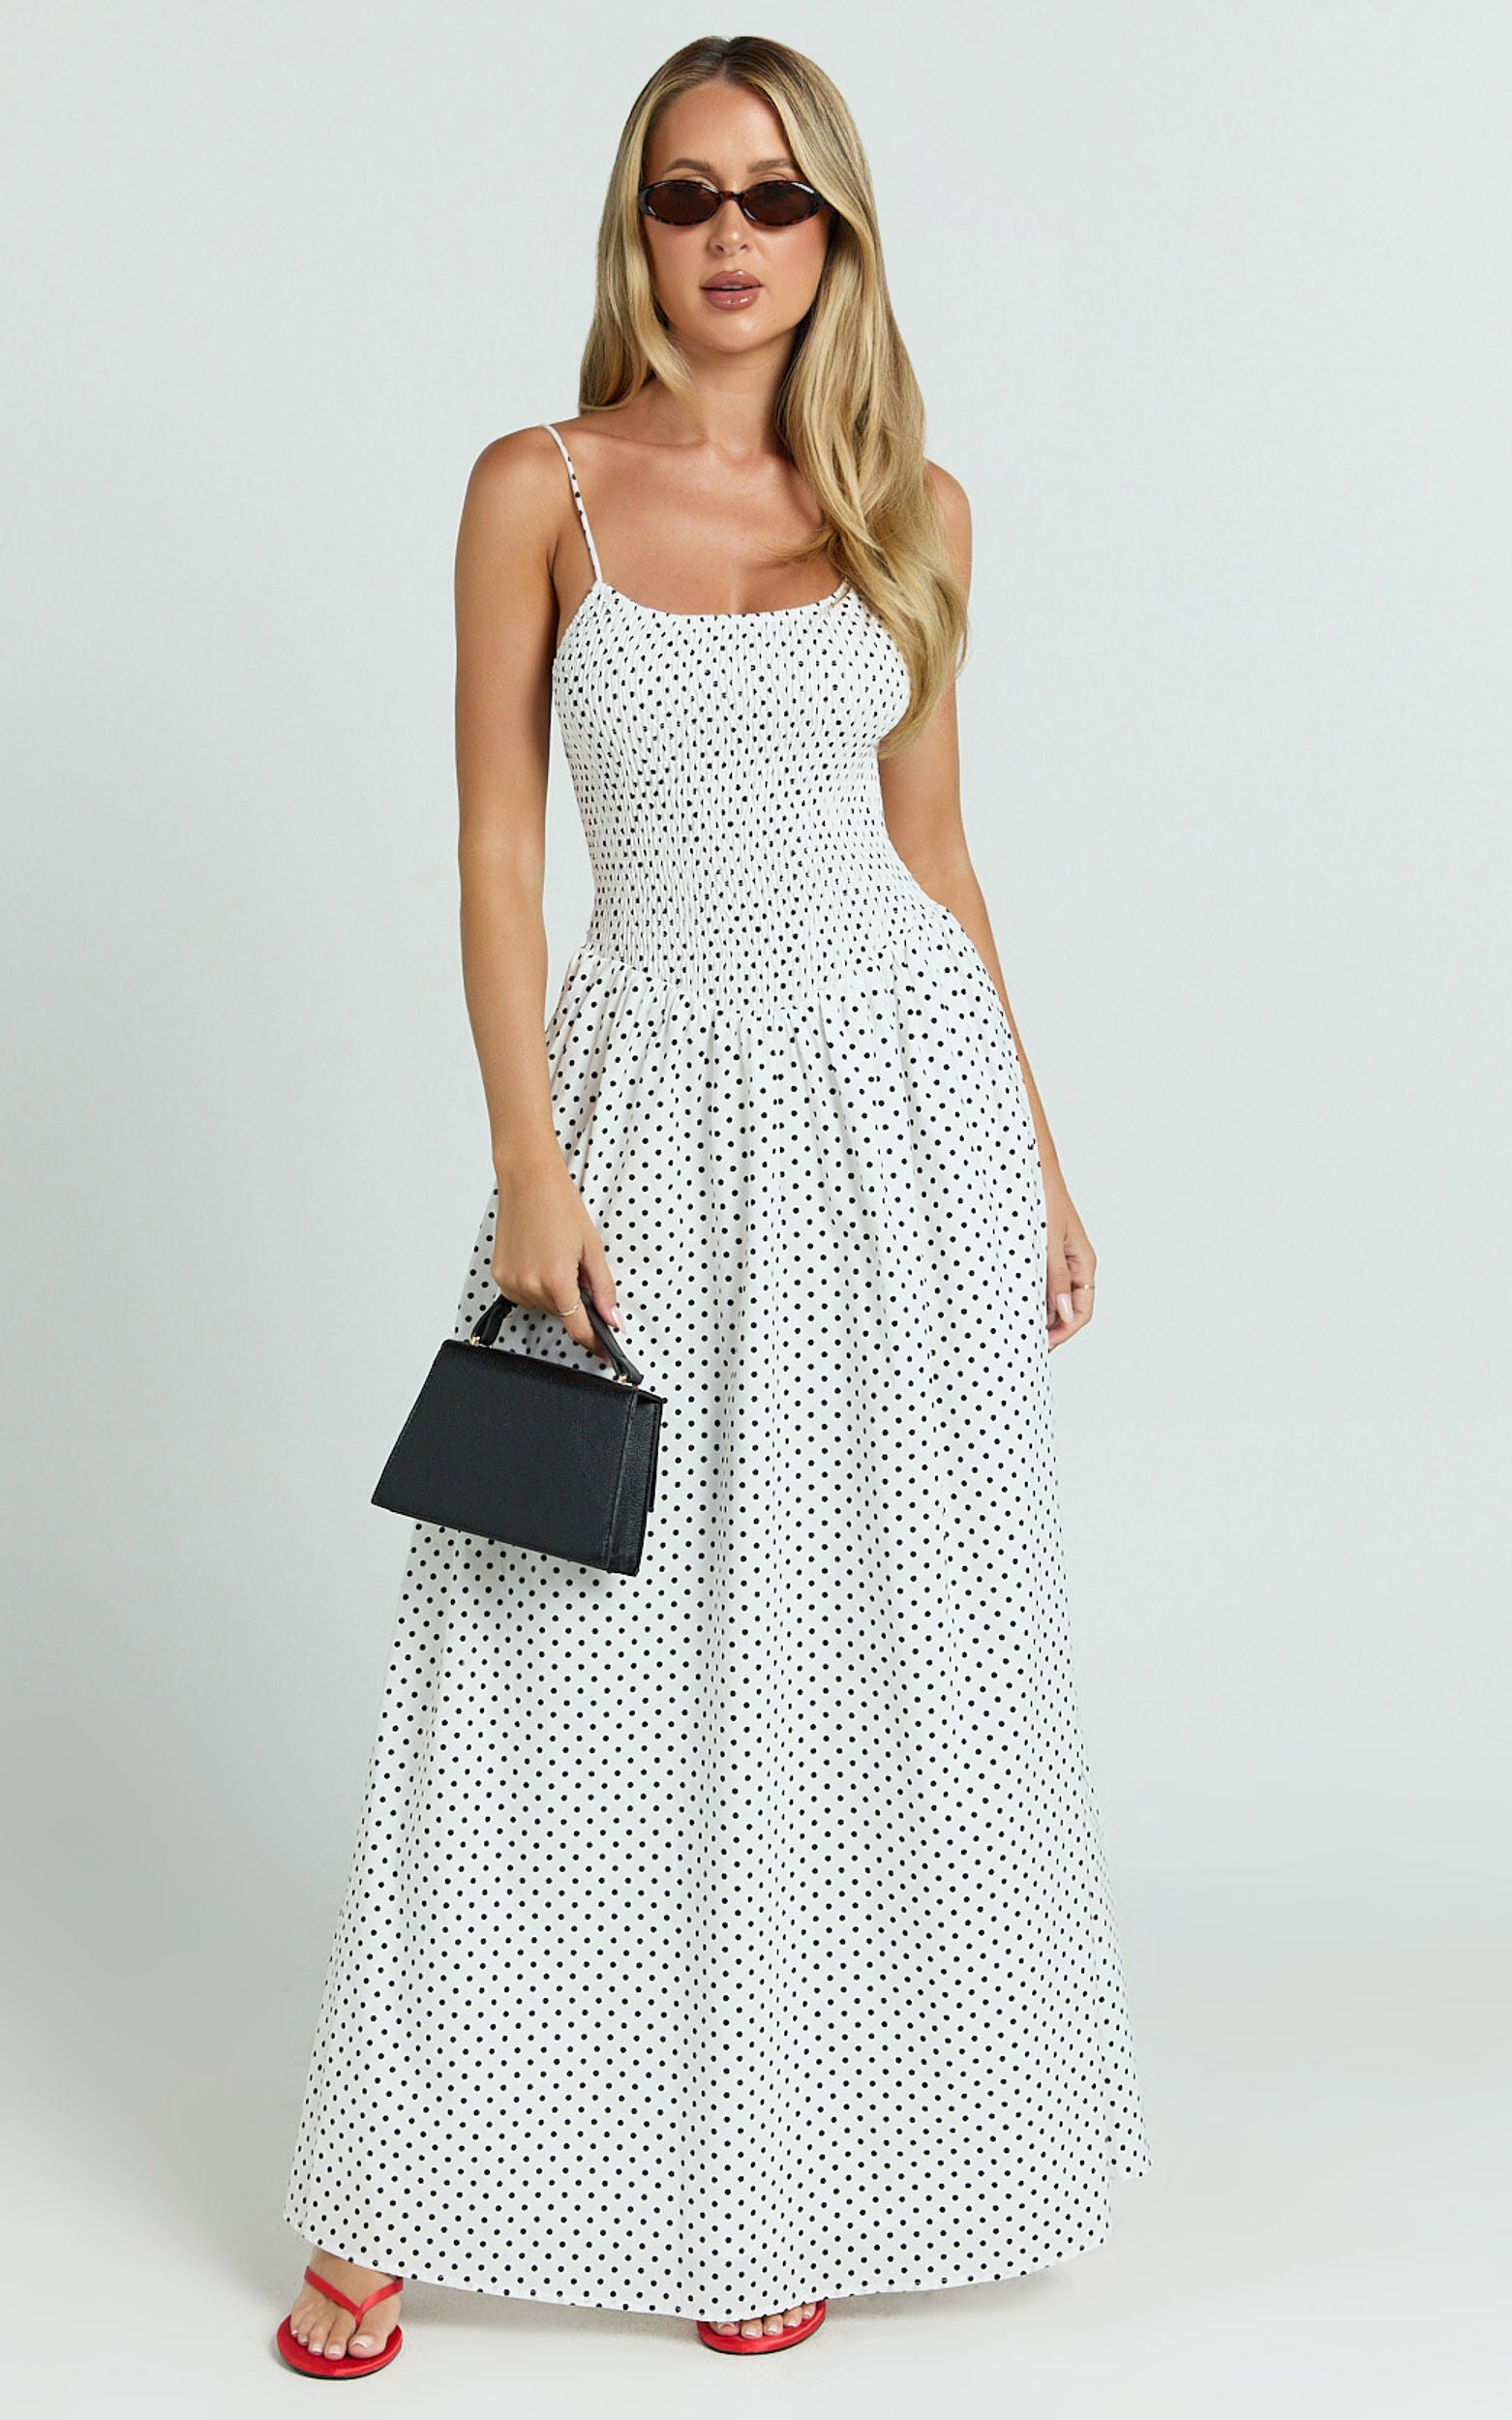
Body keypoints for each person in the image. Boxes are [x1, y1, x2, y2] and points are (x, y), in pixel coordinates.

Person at [276, 31, 1150, 2375]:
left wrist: (1039, 1159)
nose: (732, 236)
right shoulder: (537, 486)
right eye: (690, 195)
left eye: (776, 196)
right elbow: (494, 851)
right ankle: (396, 2171)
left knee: (847, 1638)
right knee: (535, 1634)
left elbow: (935, 855)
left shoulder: (914, 506)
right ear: (637, 226)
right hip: (643, 1101)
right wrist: (526, 1160)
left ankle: (777, 2163)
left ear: (834, 233)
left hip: (897, 1116)